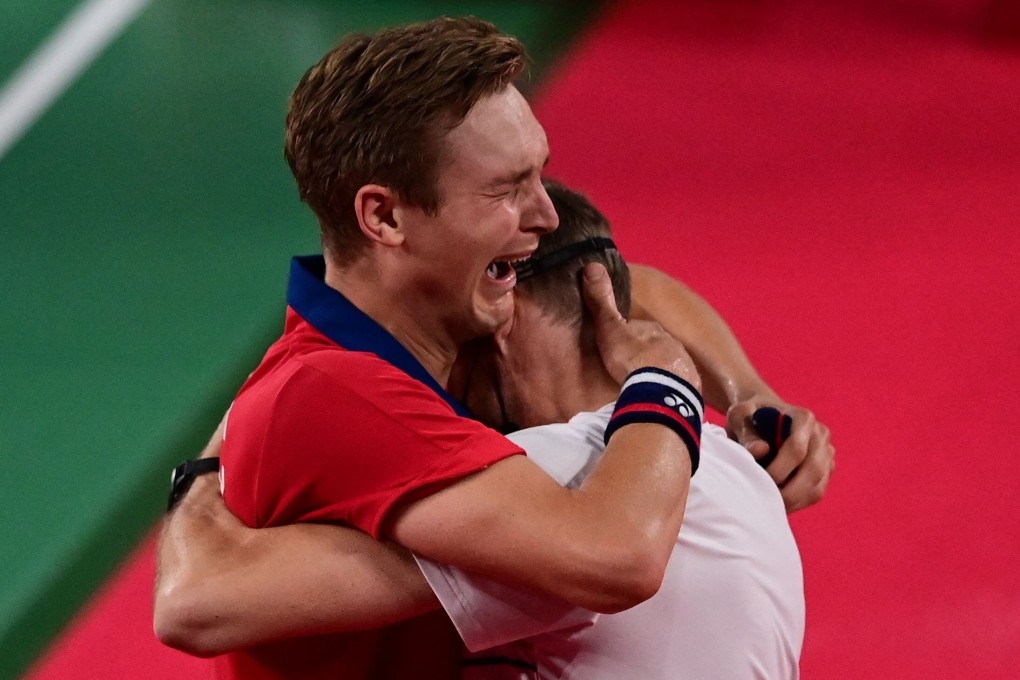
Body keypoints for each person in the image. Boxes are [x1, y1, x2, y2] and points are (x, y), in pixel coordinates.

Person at [155, 16, 834, 677]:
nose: (543, 213)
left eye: (539, 174)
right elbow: (614, 554)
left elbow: (620, 279)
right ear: (385, 217)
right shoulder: (352, 399)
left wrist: (750, 393)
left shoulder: (406, 339)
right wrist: (669, 384)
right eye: (509, 189)